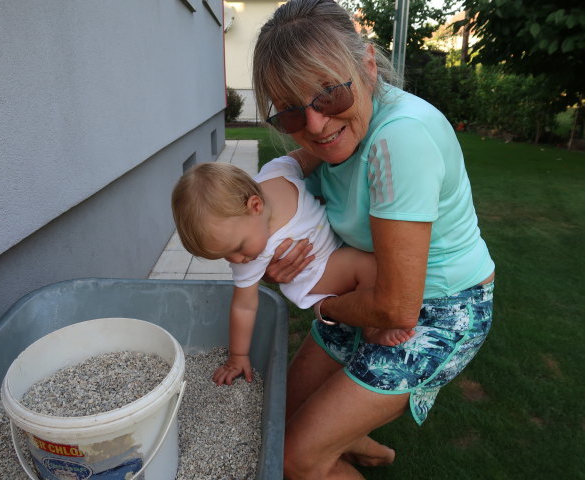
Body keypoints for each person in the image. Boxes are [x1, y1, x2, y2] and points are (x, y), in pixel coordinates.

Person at [251, 0, 496, 478]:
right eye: (291, 114)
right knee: (280, 416)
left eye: (328, 95)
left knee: (295, 459)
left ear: (366, 66)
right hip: (366, 291)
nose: (316, 126)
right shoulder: (338, 132)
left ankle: (341, 443)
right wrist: (271, 250)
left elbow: (397, 310)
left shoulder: (399, 139)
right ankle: (365, 446)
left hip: (443, 307)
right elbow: (279, 181)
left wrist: (318, 301)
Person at [171, 157, 415, 386]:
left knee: (370, 262)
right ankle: (372, 329)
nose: (235, 260)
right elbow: (243, 306)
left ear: (255, 205)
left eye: (237, 248)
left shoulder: (278, 174)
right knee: (369, 266)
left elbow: (305, 156)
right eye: (225, 255)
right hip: (316, 273)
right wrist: (237, 356)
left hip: (331, 252)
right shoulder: (253, 255)